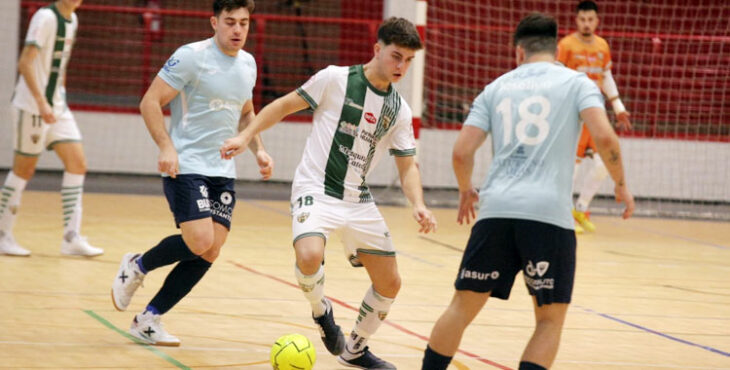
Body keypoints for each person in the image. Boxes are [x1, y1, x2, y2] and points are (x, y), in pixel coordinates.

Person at [220, 17, 437, 369]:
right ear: (377, 49)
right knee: (308, 255)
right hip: (316, 189)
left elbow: (407, 164)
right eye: (397, 56)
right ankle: (323, 313)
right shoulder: (335, 78)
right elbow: (281, 105)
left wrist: (419, 204)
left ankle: (355, 349)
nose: (403, 66)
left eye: (409, 60)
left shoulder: (398, 109)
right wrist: (245, 138)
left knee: (391, 282)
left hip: (358, 198)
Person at [421, 13, 634, 370]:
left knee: (461, 308)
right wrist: (621, 185)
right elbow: (605, 138)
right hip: (548, 216)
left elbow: (461, 152)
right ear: (555, 48)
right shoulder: (578, 83)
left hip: (495, 213)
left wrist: (464, 190)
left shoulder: (496, 87)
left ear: (518, 51)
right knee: (549, 320)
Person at [110, 0, 273, 346]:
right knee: (200, 240)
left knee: (211, 251)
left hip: (222, 171)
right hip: (186, 165)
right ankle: (138, 265)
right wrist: (166, 147)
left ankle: (149, 318)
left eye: (244, 23)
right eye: (230, 22)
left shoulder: (248, 64)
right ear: (214, 22)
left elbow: (246, 113)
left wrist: (258, 149)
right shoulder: (191, 56)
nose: (237, 30)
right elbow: (150, 102)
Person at [0, 0, 103, 257]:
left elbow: (61, 66)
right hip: (32, 106)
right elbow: (25, 63)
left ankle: (71, 238)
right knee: (24, 170)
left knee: (77, 164)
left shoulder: (73, 20)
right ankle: (2, 234)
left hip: (57, 106)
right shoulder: (44, 17)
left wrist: (58, 99)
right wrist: (41, 102)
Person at [557, 0, 632, 233]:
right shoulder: (566, 45)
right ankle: (563, 213)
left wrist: (618, 106)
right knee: (573, 167)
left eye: (590, 19)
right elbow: (557, 76)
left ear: (597, 21)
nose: (586, 23)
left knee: (602, 165)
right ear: (576, 20)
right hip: (574, 114)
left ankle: (581, 207)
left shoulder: (602, 45)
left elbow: (606, 76)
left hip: (596, 113)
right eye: (582, 19)